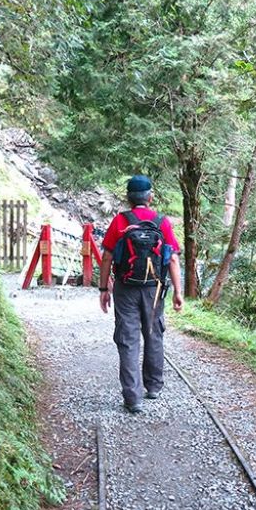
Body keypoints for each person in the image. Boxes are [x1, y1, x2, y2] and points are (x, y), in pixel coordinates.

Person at [99, 175, 184, 413]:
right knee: (154, 334)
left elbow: (106, 256)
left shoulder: (120, 221)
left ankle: (132, 398)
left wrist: (104, 289)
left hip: (125, 287)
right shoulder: (162, 221)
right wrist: (178, 292)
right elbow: (174, 259)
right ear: (150, 197)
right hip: (154, 288)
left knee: (128, 340)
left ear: (128, 198)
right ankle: (154, 386)